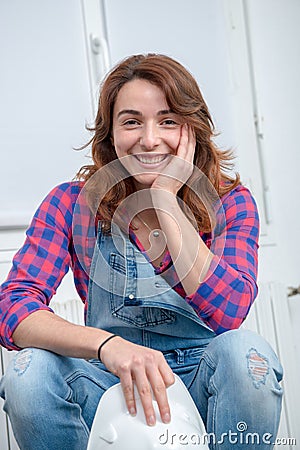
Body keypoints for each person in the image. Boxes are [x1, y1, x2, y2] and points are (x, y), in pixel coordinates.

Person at [0, 54, 283, 450]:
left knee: (247, 353)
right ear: (110, 133)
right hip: (107, 377)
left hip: (203, 377)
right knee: (27, 370)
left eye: (167, 121)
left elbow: (230, 309)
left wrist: (165, 201)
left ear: (192, 129)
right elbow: (14, 309)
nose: (149, 139)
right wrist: (107, 345)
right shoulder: (71, 203)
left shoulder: (230, 203)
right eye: (132, 121)